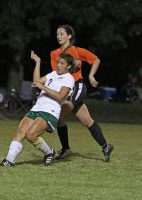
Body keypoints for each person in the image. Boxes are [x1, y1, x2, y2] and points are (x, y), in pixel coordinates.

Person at [0, 51, 75, 167]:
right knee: (20, 132)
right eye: (58, 62)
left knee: (31, 135)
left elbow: (60, 96)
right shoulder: (53, 74)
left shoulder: (69, 78)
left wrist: (43, 87)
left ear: (68, 66)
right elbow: (36, 82)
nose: (58, 65)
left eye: (62, 63)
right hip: (37, 107)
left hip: (50, 111)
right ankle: (9, 161)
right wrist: (37, 62)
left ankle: (49, 152)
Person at [51, 24, 113, 161]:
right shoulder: (54, 53)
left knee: (61, 113)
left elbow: (96, 60)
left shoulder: (77, 50)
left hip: (77, 87)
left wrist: (91, 76)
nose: (58, 36)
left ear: (69, 36)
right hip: (65, 89)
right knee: (86, 120)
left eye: (61, 34)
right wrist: (72, 66)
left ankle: (64, 146)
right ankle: (106, 146)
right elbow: (57, 73)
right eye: (57, 34)